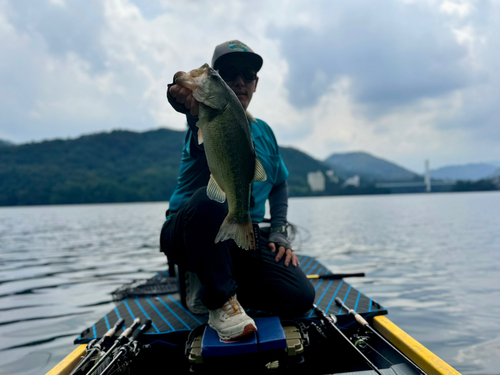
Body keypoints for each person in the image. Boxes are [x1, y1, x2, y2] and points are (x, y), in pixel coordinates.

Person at [160, 40, 315, 341]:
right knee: (212, 201)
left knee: (299, 297)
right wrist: (188, 111)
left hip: (242, 231)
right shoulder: (205, 117)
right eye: (229, 74)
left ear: (256, 83)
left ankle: (227, 282)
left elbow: (280, 182)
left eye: (248, 75)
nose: (240, 81)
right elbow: (195, 132)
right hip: (188, 231)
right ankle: (217, 299)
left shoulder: (265, 131)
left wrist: (279, 230)